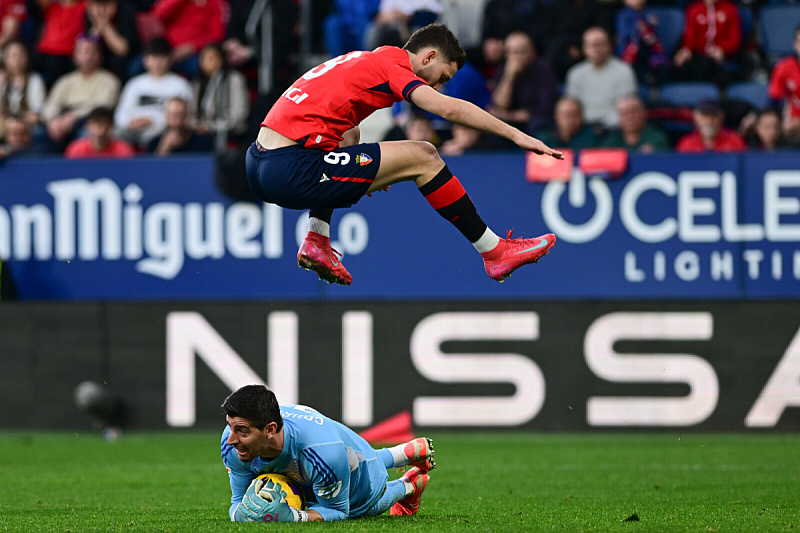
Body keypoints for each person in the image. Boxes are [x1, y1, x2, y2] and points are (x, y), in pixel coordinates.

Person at [246, 24, 561, 286]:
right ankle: (494, 251)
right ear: (430, 56)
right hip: (289, 167)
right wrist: (516, 134)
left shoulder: (367, 58)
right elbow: (448, 108)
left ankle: (317, 240)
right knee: (424, 155)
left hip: (259, 160)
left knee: (351, 134)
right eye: (443, 77)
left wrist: (374, 169)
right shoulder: (393, 66)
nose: (438, 86)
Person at [221, 384, 436, 522]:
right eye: (230, 427)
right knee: (316, 475)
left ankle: (409, 484)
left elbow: (338, 512)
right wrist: (240, 515)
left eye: (242, 431)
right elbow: (238, 500)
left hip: (356, 470)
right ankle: (403, 452)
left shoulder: (321, 455)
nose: (231, 438)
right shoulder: (232, 444)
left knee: (362, 506)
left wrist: (296, 517)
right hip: (328, 458)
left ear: (270, 429)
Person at [42, 35, 120, 151]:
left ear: (99, 56)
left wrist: (74, 116)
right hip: (63, 119)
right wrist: (53, 121)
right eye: (82, 52)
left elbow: (104, 106)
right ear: (75, 56)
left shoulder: (109, 80)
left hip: (91, 120)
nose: (87, 56)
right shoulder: (65, 81)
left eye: (91, 52)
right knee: (40, 134)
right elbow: (51, 105)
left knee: (87, 134)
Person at [114, 37, 193, 148]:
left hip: (162, 129)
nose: (157, 63)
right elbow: (121, 115)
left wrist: (153, 122)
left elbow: (186, 116)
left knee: (155, 138)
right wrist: (131, 122)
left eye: (162, 58)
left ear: (170, 59)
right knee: (114, 135)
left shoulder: (181, 85)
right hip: (131, 129)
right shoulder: (134, 84)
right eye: (154, 58)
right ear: (145, 60)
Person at [489, 31, 559, 135]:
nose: (518, 57)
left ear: (532, 52)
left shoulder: (543, 69)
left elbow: (545, 108)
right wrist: (509, 77)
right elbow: (500, 105)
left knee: (538, 126)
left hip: (534, 121)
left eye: (522, 52)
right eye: (513, 52)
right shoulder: (504, 70)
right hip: (512, 121)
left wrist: (510, 116)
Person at [565, 27, 637, 128]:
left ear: (609, 47)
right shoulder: (575, 73)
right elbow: (573, 107)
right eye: (593, 45)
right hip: (583, 128)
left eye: (601, 45)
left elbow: (626, 109)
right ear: (585, 49)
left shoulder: (624, 71)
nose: (597, 49)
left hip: (615, 128)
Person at [673, 0, 741, 89]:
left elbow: (735, 40)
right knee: (682, 66)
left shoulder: (730, 9)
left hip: (721, 57)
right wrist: (686, 49)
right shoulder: (694, 9)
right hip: (698, 55)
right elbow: (689, 37)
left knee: (707, 67)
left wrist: (721, 48)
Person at [192, 43, 249, 144]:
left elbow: (239, 115)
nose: (208, 62)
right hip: (202, 133)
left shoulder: (235, 80)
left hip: (230, 134)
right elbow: (192, 113)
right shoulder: (198, 83)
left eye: (213, 58)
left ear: (221, 60)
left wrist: (211, 127)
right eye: (204, 58)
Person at [615, 0, 670, 85]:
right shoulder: (623, 15)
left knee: (662, 66)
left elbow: (654, 37)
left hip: (649, 50)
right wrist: (636, 27)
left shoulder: (648, 14)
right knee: (634, 70)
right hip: (632, 51)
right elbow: (624, 33)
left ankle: (656, 85)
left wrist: (651, 24)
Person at [84, 0, 140, 81]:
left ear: (114, 5)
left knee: (121, 64)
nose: (101, 11)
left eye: (104, 6)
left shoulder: (126, 12)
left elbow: (123, 50)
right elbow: (89, 45)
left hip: (127, 58)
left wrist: (106, 26)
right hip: (102, 56)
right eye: (97, 6)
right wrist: (98, 25)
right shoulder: (89, 15)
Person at [600, 94, 670, 153]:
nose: (630, 117)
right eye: (624, 113)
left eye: (634, 112)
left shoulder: (658, 138)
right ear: (619, 117)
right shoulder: (610, 142)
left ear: (643, 113)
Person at [767, 24, 800, 145]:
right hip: (792, 126)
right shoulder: (784, 67)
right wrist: (781, 123)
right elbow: (773, 102)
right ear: (795, 45)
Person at [146, 96, 213, 155]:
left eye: (179, 114)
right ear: (166, 115)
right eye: (171, 114)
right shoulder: (154, 143)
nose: (175, 119)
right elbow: (152, 166)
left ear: (185, 115)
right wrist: (164, 148)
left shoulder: (202, 141)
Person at [675, 98, 746, 153]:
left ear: (721, 118)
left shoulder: (734, 141)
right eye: (704, 116)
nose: (709, 121)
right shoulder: (686, 144)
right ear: (696, 118)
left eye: (713, 116)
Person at [64, 106, 136, 158]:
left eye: (104, 122)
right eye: (96, 122)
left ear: (111, 126)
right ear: (87, 125)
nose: (99, 126)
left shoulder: (123, 150)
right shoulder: (76, 150)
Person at [536, 95, 600, 150]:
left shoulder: (594, 139)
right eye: (566, 116)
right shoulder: (544, 140)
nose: (570, 120)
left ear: (581, 115)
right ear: (556, 116)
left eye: (574, 115)